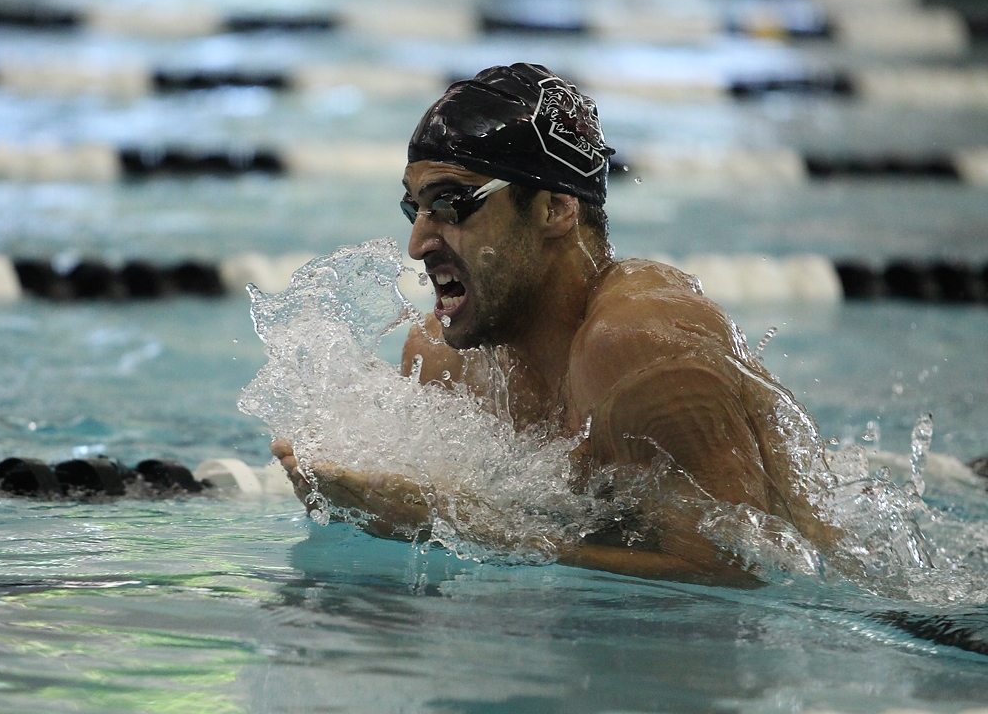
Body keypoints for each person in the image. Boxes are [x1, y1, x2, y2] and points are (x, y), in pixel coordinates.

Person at [271, 63, 840, 586]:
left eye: (451, 203)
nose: (418, 243)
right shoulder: (443, 358)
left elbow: (742, 577)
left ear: (555, 209)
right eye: (414, 207)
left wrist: (446, 523)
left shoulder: (641, 347)